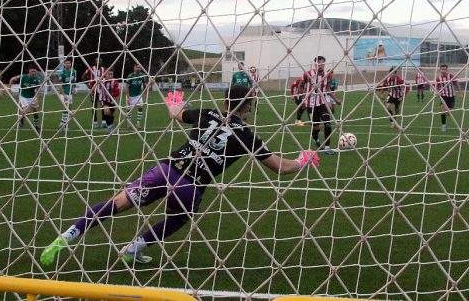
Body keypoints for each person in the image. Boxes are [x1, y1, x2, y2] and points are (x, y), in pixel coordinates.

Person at [40, 85, 319, 266]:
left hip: (164, 171)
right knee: (179, 218)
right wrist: (303, 158)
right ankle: (134, 247)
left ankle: (67, 235)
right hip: (191, 187)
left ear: (225, 101)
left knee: (117, 204)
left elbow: (175, 114)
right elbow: (282, 167)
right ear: (249, 106)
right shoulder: (247, 136)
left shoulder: (206, 113)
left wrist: (175, 101)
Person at [303, 56, 335, 154]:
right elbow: (301, 86)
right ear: (315, 64)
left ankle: (327, 148)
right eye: (319, 63)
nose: (321, 65)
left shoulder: (328, 75)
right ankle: (315, 139)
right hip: (311, 105)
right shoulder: (308, 74)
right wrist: (304, 98)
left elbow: (327, 89)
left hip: (322, 103)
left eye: (322, 64)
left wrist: (335, 99)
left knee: (328, 124)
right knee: (316, 127)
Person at [8, 65, 43, 132]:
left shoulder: (37, 78)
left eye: (35, 71)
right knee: (26, 111)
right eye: (32, 71)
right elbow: (12, 79)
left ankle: (36, 125)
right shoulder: (23, 76)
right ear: (29, 71)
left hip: (32, 97)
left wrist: (36, 97)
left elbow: (38, 88)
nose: (33, 73)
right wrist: (9, 88)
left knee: (35, 112)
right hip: (23, 96)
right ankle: (22, 119)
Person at [435, 64, 463, 132]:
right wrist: (437, 92)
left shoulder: (451, 76)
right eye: (442, 69)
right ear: (440, 70)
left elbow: (456, 83)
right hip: (443, 96)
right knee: (442, 110)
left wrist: (460, 92)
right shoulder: (438, 78)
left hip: (451, 96)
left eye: (445, 69)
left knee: (450, 112)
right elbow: (437, 86)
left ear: (447, 70)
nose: (443, 71)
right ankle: (443, 125)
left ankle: (449, 111)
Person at [82, 57, 106, 128]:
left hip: (102, 91)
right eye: (97, 61)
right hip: (93, 91)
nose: (98, 62)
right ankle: (95, 122)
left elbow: (107, 78)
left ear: (101, 62)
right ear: (94, 62)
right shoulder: (91, 69)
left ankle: (103, 122)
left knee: (103, 106)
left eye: (100, 61)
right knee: (94, 106)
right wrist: (89, 86)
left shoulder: (104, 70)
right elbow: (83, 77)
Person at [96, 69, 120, 133]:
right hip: (103, 99)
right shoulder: (101, 80)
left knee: (111, 114)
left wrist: (111, 94)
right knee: (106, 111)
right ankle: (109, 127)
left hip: (111, 100)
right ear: (105, 74)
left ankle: (110, 125)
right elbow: (94, 84)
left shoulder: (114, 81)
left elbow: (117, 93)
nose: (110, 75)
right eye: (108, 74)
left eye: (111, 74)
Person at [125, 63, 148, 129]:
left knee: (140, 108)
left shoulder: (142, 76)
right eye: (136, 67)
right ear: (134, 68)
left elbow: (145, 86)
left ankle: (138, 123)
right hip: (130, 95)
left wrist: (145, 95)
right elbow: (126, 87)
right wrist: (128, 97)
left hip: (138, 95)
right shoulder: (130, 76)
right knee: (128, 110)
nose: (138, 69)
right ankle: (129, 123)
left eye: (139, 67)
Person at [58, 59, 78, 129]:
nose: (67, 64)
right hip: (63, 92)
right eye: (66, 63)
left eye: (69, 63)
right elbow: (60, 85)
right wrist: (63, 94)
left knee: (69, 108)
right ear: (64, 64)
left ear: (71, 63)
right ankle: (64, 124)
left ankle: (62, 122)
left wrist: (75, 88)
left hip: (70, 92)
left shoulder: (74, 71)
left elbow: (74, 81)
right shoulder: (62, 73)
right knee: (66, 106)